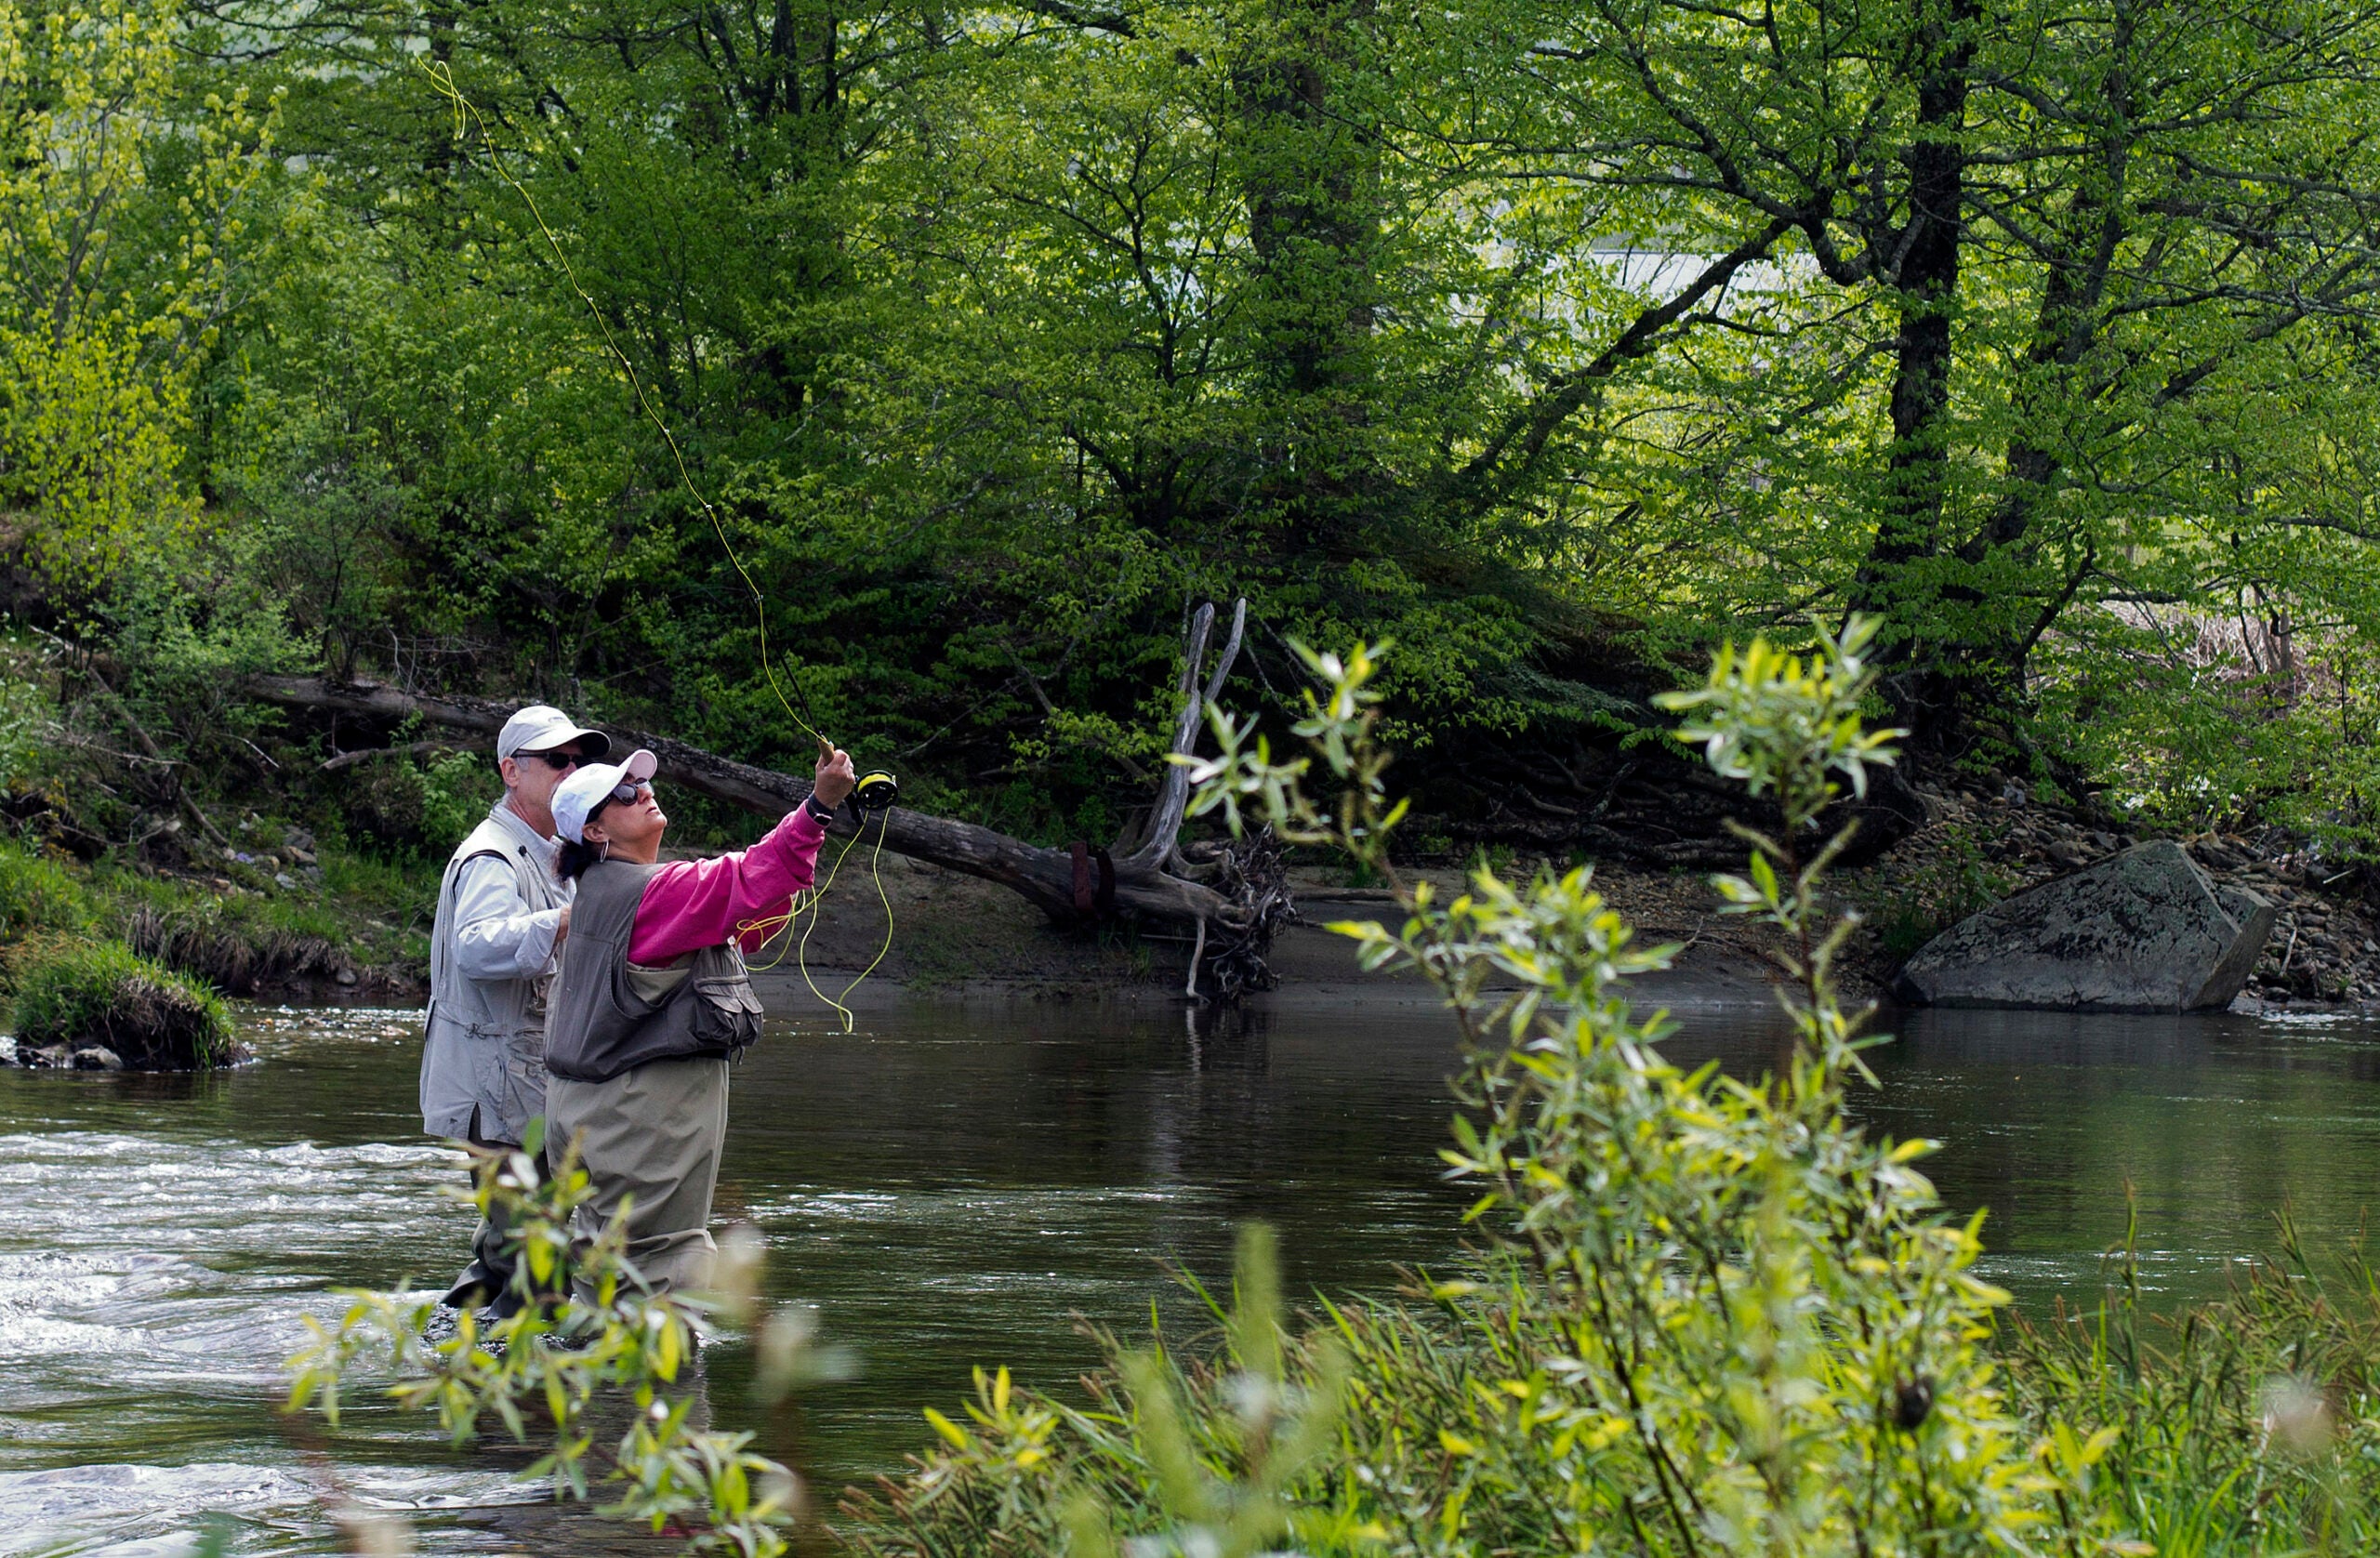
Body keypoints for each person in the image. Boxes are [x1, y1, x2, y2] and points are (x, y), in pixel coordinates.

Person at [543, 741, 856, 1301]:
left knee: (607, 1263)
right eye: (623, 793)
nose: (644, 792)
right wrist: (818, 808)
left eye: (641, 784)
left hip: (588, 1115)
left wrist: (779, 882)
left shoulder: (604, 889)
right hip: (634, 1121)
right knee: (664, 1270)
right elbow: (749, 874)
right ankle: (642, 1385)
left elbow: (735, 918)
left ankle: (579, 1376)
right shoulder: (652, 892)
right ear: (594, 833)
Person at [421, 703, 611, 1314]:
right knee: (527, 1252)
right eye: (557, 760)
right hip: (497, 1090)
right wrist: (563, 921)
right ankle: (511, 1382)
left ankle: (455, 1350)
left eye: (579, 761)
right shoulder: (492, 855)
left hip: (526, 1085)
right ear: (511, 770)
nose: (571, 769)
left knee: (514, 1248)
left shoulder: (549, 852)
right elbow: (474, 948)